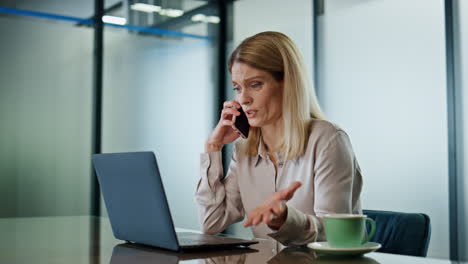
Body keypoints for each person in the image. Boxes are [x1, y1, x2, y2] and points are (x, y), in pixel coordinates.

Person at [195, 31, 363, 246]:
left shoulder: (328, 140)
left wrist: (285, 219)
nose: (243, 98)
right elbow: (212, 223)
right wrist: (213, 147)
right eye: (237, 88)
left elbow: (333, 234)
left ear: (288, 83)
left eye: (255, 84)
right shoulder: (244, 149)